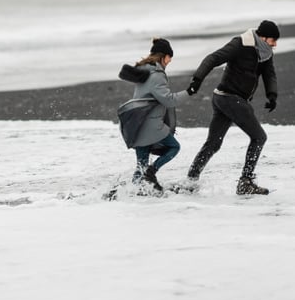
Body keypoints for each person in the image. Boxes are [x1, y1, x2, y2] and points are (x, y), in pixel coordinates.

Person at [185, 20, 280, 195]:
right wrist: (197, 80)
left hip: (226, 99)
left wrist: (272, 95)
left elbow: (269, 73)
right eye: (273, 40)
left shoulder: (265, 52)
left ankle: (190, 181)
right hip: (230, 98)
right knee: (259, 137)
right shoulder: (240, 44)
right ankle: (246, 181)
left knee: (213, 144)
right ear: (263, 37)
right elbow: (213, 58)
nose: (275, 44)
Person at [116, 37, 191, 193]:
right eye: (169, 57)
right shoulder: (156, 75)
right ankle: (152, 172)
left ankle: (129, 194)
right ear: (163, 56)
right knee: (174, 147)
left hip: (138, 125)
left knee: (141, 165)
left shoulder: (143, 72)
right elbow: (169, 100)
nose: (170, 61)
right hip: (150, 125)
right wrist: (189, 92)